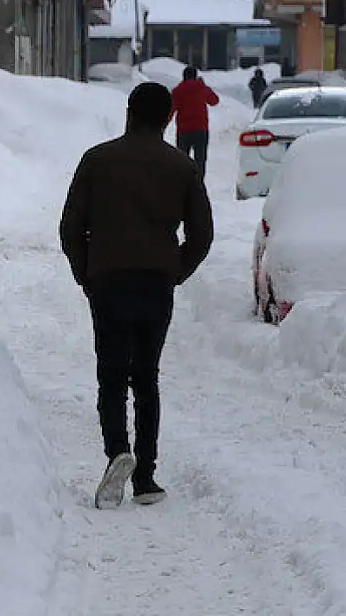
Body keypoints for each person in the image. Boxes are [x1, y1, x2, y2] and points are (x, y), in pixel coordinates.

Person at [59, 82, 214, 510]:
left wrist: (85, 271)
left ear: (129, 112)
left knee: (111, 374)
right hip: (155, 283)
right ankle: (146, 477)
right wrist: (174, 271)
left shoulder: (97, 160)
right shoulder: (181, 167)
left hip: (108, 280)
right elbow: (202, 234)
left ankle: (117, 453)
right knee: (146, 376)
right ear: (168, 118)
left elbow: (71, 225)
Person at [170, 66, 220, 179]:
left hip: (183, 131)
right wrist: (204, 85)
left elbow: (171, 110)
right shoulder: (202, 88)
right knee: (200, 160)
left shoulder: (177, 90)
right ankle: (198, 183)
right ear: (195, 76)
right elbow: (214, 101)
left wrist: (162, 127)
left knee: (182, 160)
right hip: (201, 129)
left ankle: (183, 183)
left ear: (183, 77)